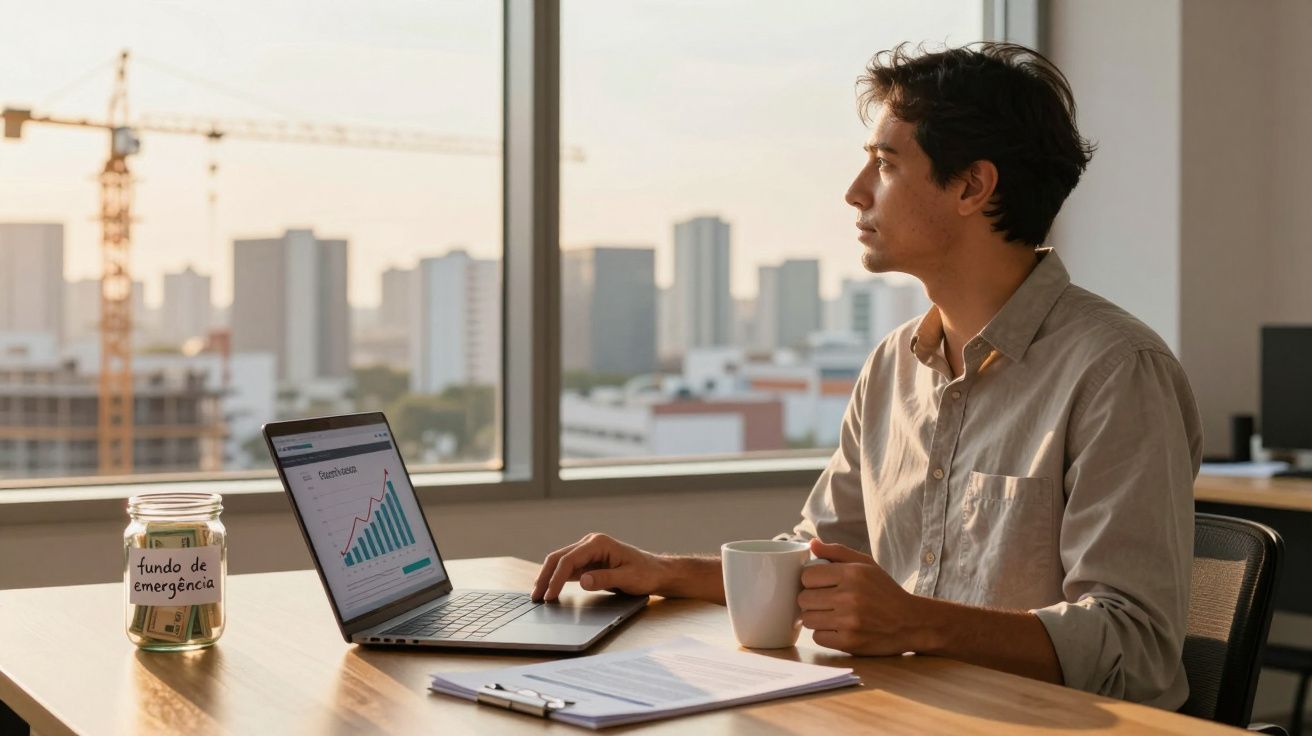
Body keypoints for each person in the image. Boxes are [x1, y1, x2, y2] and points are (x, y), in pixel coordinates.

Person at [531, 42, 1201, 710]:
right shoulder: (891, 367)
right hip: (909, 715)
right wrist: (663, 571)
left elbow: (1134, 649)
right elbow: (817, 558)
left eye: (884, 164)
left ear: (972, 186)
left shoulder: (1116, 372)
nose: (855, 193)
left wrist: (916, 620)